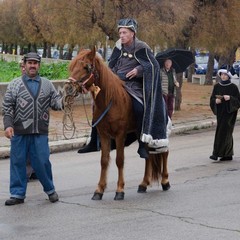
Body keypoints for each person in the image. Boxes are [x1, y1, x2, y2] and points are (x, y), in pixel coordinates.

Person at [78, 18, 169, 158]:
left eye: (124, 32)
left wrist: (138, 70)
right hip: (116, 82)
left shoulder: (142, 47)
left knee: (139, 108)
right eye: (120, 32)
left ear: (132, 33)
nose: (121, 35)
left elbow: (153, 65)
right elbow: (111, 66)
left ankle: (142, 144)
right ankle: (93, 142)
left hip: (134, 85)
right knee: (96, 104)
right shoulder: (118, 47)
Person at [2, 52, 63, 205]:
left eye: (35, 63)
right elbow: (7, 106)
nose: (32, 65)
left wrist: (69, 94)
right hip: (19, 131)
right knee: (18, 162)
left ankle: (50, 190)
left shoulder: (47, 84)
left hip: (40, 132)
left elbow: (57, 104)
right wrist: (8, 125)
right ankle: (17, 194)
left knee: (42, 161)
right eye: (30, 63)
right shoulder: (15, 84)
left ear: (39, 65)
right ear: (24, 65)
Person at [209, 68, 240, 161]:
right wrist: (216, 101)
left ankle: (217, 153)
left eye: (225, 75)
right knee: (222, 131)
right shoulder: (217, 86)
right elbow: (212, 99)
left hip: (230, 112)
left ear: (228, 76)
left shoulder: (233, 87)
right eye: (222, 74)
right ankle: (227, 154)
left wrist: (230, 98)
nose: (223, 76)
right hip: (220, 111)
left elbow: (238, 101)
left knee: (226, 131)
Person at [19, 60, 38, 181]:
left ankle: (35, 171)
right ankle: (25, 173)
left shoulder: (39, 83)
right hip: (22, 123)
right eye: (22, 66)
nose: (23, 68)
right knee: (23, 151)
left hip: (36, 123)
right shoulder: (17, 84)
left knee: (36, 150)